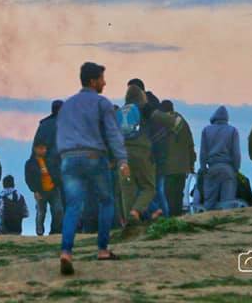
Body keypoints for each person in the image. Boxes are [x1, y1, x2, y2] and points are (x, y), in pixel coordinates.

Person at [56, 62, 130, 276]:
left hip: (68, 158)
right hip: (93, 156)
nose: (104, 83)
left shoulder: (67, 105)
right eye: (102, 79)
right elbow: (113, 134)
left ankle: (66, 252)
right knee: (106, 201)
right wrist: (122, 160)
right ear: (93, 81)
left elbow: (60, 134)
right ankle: (103, 249)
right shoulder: (102, 103)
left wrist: (64, 155)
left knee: (73, 206)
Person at [119, 82, 180, 223]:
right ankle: (137, 211)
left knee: (128, 190)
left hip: (122, 156)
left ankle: (130, 221)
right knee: (148, 188)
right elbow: (166, 120)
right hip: (142, 153)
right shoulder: (143, 108)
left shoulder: (120, 112)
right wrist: (174, 121)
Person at [199, 106, 241, 210]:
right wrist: (236, 169)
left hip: (212, 168)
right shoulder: (233, 131)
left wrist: (203, 168)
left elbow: (203, 152)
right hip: (228, 169)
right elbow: (236, 153)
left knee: (209, 203)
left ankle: (206, 223)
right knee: (227, 204)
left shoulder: (206, 130)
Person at [159, 100, 195, 217]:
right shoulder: (184, 123)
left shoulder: (164, 123)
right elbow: (190, 145)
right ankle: (177, 219)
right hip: (182, 167)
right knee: (178, 195)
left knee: (168, 196)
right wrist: (191, 164)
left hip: (169, 167)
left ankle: (170, 219)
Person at [25, 143, 63, 235]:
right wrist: (35, 191)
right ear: (35, 149)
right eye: (41, 148)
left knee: (58, 210)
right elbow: (28, 178)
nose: (43, 150)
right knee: (41, 212)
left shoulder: (50, 161)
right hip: (40, 191)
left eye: (44, 148)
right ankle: (40, 232)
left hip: (53, 189)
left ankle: (55, 231)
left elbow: (57, 171)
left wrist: (58, 183)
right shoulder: (30, 163)